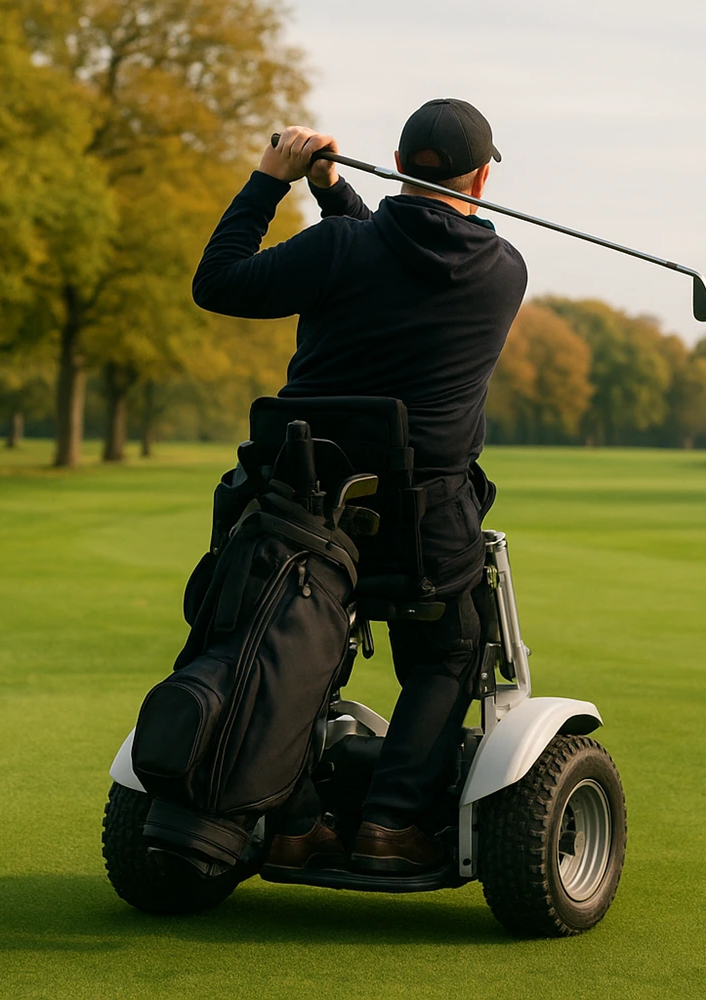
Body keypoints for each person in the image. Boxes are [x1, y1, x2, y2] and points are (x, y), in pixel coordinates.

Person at [191, 99, 527, 872]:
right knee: (449, 650)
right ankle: (390, 825)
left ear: (402, 166)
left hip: (298, 512)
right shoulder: (502, 268)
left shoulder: (338, 247)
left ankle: (297, 819)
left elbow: (221, 282)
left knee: (289, 648)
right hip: (423, 526)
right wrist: (334, 192)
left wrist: (270, 181)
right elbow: (398, 258)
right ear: (481, 177)